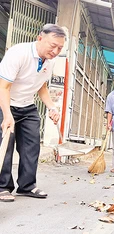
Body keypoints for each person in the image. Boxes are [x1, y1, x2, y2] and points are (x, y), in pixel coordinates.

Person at [0, 24, 66, 202]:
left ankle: (27, 185)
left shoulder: (50, 62)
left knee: (31, 146)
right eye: (53, 46)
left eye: (60, 48)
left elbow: (41, 86)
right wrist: (7, 114)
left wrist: (52, 107)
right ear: (40, 38)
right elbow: (3, 86)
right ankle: (3, 187)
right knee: (5, 146)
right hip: (5, 102)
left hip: (27, 106)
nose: (55, 51)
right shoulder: (18, 53)